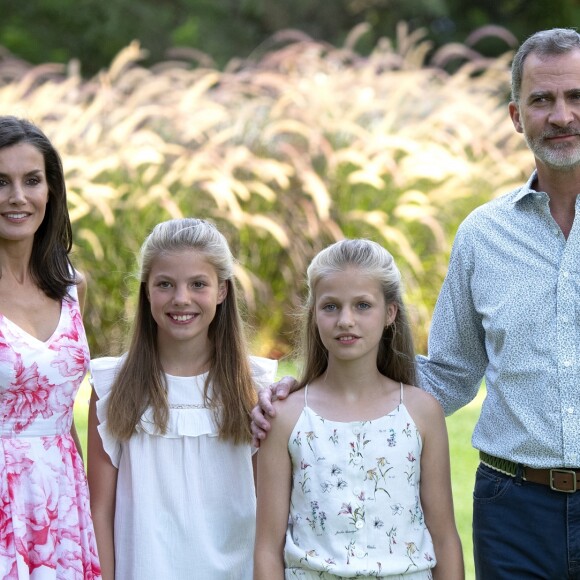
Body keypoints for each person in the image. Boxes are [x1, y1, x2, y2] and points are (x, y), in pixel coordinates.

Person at [252, 27, 580, 579]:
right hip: (515, 507)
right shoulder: (484, 235)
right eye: (542, 99)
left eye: (576, 96)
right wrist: (310, 387)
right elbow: (449, 375)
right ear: (516, 116)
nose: (562, 115)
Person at [254, 239, 464, 579]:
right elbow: (266, 546)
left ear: (390, 313)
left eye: (363, 305)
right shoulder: (287, 417)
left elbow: (445, 538)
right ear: (314, 314)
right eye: (331, 307)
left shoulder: (422, 413)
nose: (346, 320)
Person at [87, 218, 277, 580]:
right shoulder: (111, 384)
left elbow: (270, 511)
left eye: (198, 284)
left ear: (222, 290)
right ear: (146, 290)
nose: (181, 299)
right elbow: (100, 511)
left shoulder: (255, 387)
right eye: (165, 284)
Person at [0, 116, 101, 578]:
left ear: (51, 191)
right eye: (0, 182)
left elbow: (67, 413)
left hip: (60, 501)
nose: (17, 197)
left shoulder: (70, 285)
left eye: (31, 180)